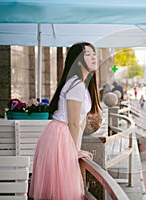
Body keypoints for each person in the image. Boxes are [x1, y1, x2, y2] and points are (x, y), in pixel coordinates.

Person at [29, 42, 102, 200]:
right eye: (87, 54)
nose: (93, 57)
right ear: (78, 60)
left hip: (61, 135)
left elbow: (80, 122)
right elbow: (74, 123)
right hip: (61, 136)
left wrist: (76, 148)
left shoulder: (80, 84)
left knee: (62, 188)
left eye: (94, 53)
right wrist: (75, 150)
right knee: (64, 189)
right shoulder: (76, 85)